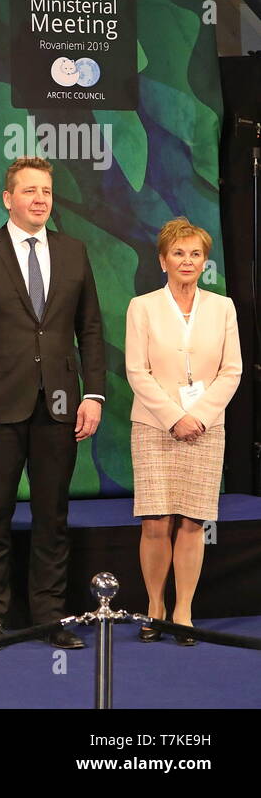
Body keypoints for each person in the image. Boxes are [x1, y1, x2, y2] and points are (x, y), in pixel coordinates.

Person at [0, 157, 105, 650]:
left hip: (60, 406)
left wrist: (95, 394)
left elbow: (90, 328)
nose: (40, 199)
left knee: (52, 516)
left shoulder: (73, 250)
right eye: (30, 191)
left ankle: (49, 616)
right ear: (7, 199)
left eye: (46, 191)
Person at [125, 217, 241, 644]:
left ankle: (183, 612)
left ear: (204, 261)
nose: (187, 261)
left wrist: (201, 416)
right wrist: (175, 417)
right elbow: (137, 371)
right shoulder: (143, 306)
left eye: (195, 254)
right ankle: (154, 606)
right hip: (156, 426)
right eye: (179, 253)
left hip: (207, 428)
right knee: (156, 521)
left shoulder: (223, 307)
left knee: (192, 521)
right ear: (163, 260)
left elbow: (233, 371)